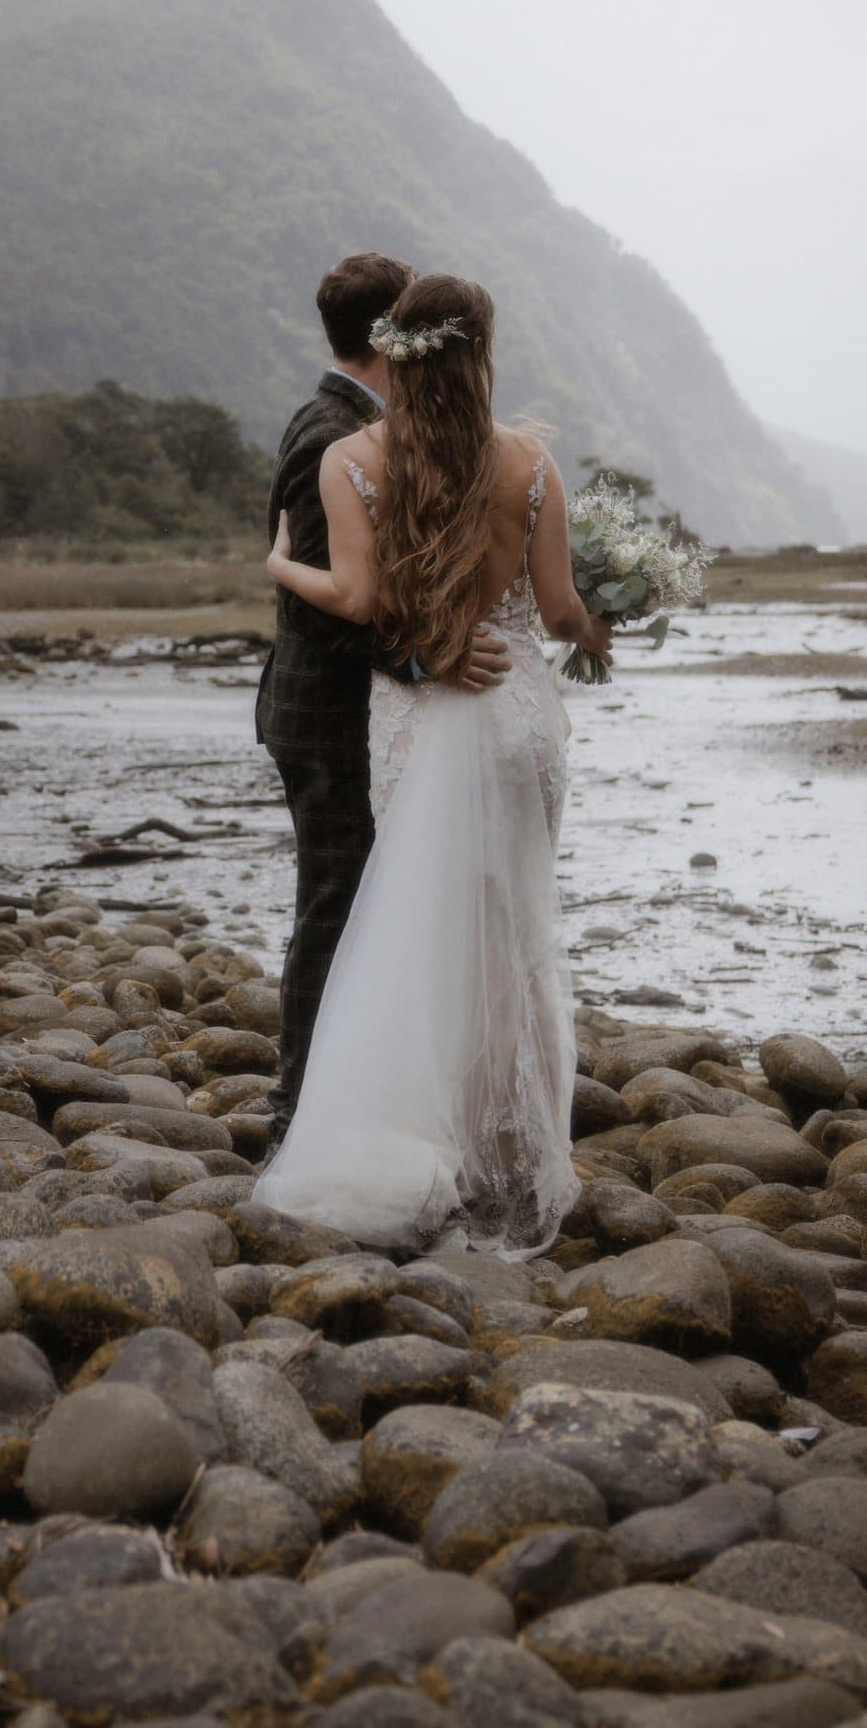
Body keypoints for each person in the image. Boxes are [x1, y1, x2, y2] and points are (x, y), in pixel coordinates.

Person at [256, 271, 612, 1256]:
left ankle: (421, 1133)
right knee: (516, 922)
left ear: (391, 346)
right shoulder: (529, 465)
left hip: (421, 711)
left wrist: (284, 566)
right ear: (481, 350)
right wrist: (606, 619)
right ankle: (521, 1147)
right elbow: (555, 614)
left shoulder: (351, 460)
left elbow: (361, 600)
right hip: (519, 720)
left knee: (417, 921)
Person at [256, 252, 512, 1141]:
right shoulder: (332, 437)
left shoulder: (348, 424)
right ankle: (297, 1101)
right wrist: (426, 661)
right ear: (384, 336)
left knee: (352, 896)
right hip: (325, 711)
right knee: (334, 901)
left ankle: (340, 1089)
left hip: (332, 709)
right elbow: (329, 603)